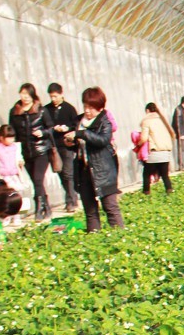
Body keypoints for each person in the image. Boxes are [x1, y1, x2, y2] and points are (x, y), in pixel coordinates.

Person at [65, 87, 124, 232]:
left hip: (103, 171)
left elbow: (102, 140)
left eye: (91, 108)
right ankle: (94, 236)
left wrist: (82, 134)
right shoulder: (79, 121)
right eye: (85, 106)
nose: (87, 111)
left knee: (110, 207)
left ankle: (119, 238)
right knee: (90, 210)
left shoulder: (105, 122)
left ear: (100, 107)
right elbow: (78, 145)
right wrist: (70, 142)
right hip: (84, 170)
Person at [8, 83, 53, 221]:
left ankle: (39, 208)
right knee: (36, 181)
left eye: (28, 95)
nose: (25, 97)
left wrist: (43, 132)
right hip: (25, 152)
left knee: (38, 179)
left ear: (33, 95)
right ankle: (47, 206)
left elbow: (51, 128)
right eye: (22, 94)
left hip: (41, 150)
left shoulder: (41, 110)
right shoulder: (14, 112)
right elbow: (12, 133)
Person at [42, 83, 81, 214]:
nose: (53, 99)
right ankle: (72, 196)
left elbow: (75, 125)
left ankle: (70, 201)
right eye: (51, 96)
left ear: (61, 94)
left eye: (55, 96)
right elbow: (46, 126)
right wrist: (54, 129)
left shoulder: (69, 109)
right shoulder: (46, 109)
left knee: (68, 173)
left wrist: (67, 129)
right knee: (60, 172)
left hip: (67, 144)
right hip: (54, 145)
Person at [0, 124, 27, 224]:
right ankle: (6, 216)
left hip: (14, 175)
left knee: (16, 196)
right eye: (9, 137)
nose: (11, 140)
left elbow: (19, 157)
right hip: (2, 176)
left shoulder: (15, 147)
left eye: (12, 137)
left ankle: (16, 216)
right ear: (1, 138)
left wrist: (21, 162)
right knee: (6, 198)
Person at [138, 102, 175, 195]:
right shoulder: (162, 120)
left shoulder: (147, 121)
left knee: (146, 174)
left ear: (147, 110)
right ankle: (169, 190)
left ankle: (146, 193)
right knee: (165, 175)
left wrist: (138, 145)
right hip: (166, 152)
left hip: (154, 153)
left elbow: (143, 138)